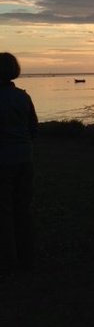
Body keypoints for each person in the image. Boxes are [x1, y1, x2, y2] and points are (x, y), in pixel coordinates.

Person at [0, 53, 38, 276]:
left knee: (3, 212)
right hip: (25, 159)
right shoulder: (23, 97)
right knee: (22, 209)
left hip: (3, 162)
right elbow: (33, 129)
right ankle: (27, 258)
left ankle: (7, 262)